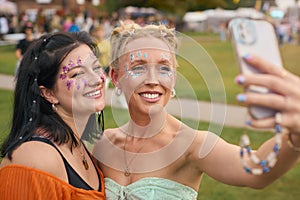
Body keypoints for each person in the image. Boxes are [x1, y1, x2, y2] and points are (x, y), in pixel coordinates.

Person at [92, 22, 300, 199]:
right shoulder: (103, 145)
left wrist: (296, 134)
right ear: (116, 77)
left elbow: (256, 172)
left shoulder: (191, 145)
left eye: (164, 68)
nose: (153, 80)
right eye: (138, 67)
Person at [0, 31, 106, 199]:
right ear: (49, 93)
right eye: (78, 73)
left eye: (96, 68)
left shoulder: (78, 144)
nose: (96, 79)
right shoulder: (33, 158)